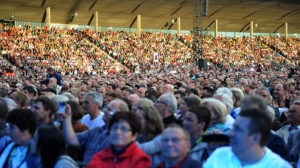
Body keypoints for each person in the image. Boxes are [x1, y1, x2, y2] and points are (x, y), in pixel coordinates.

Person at [203, 108, 292, 168]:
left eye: (238, 130)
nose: (230, 133)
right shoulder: (219, 155)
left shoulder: (278, 166)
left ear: (256, 137)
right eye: (233, 128)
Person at [87, 112, 152, 168]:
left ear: (134, 135)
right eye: (115, 128)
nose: (118, 132)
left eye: (124, 129)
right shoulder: (99, 157)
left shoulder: (141, 159)